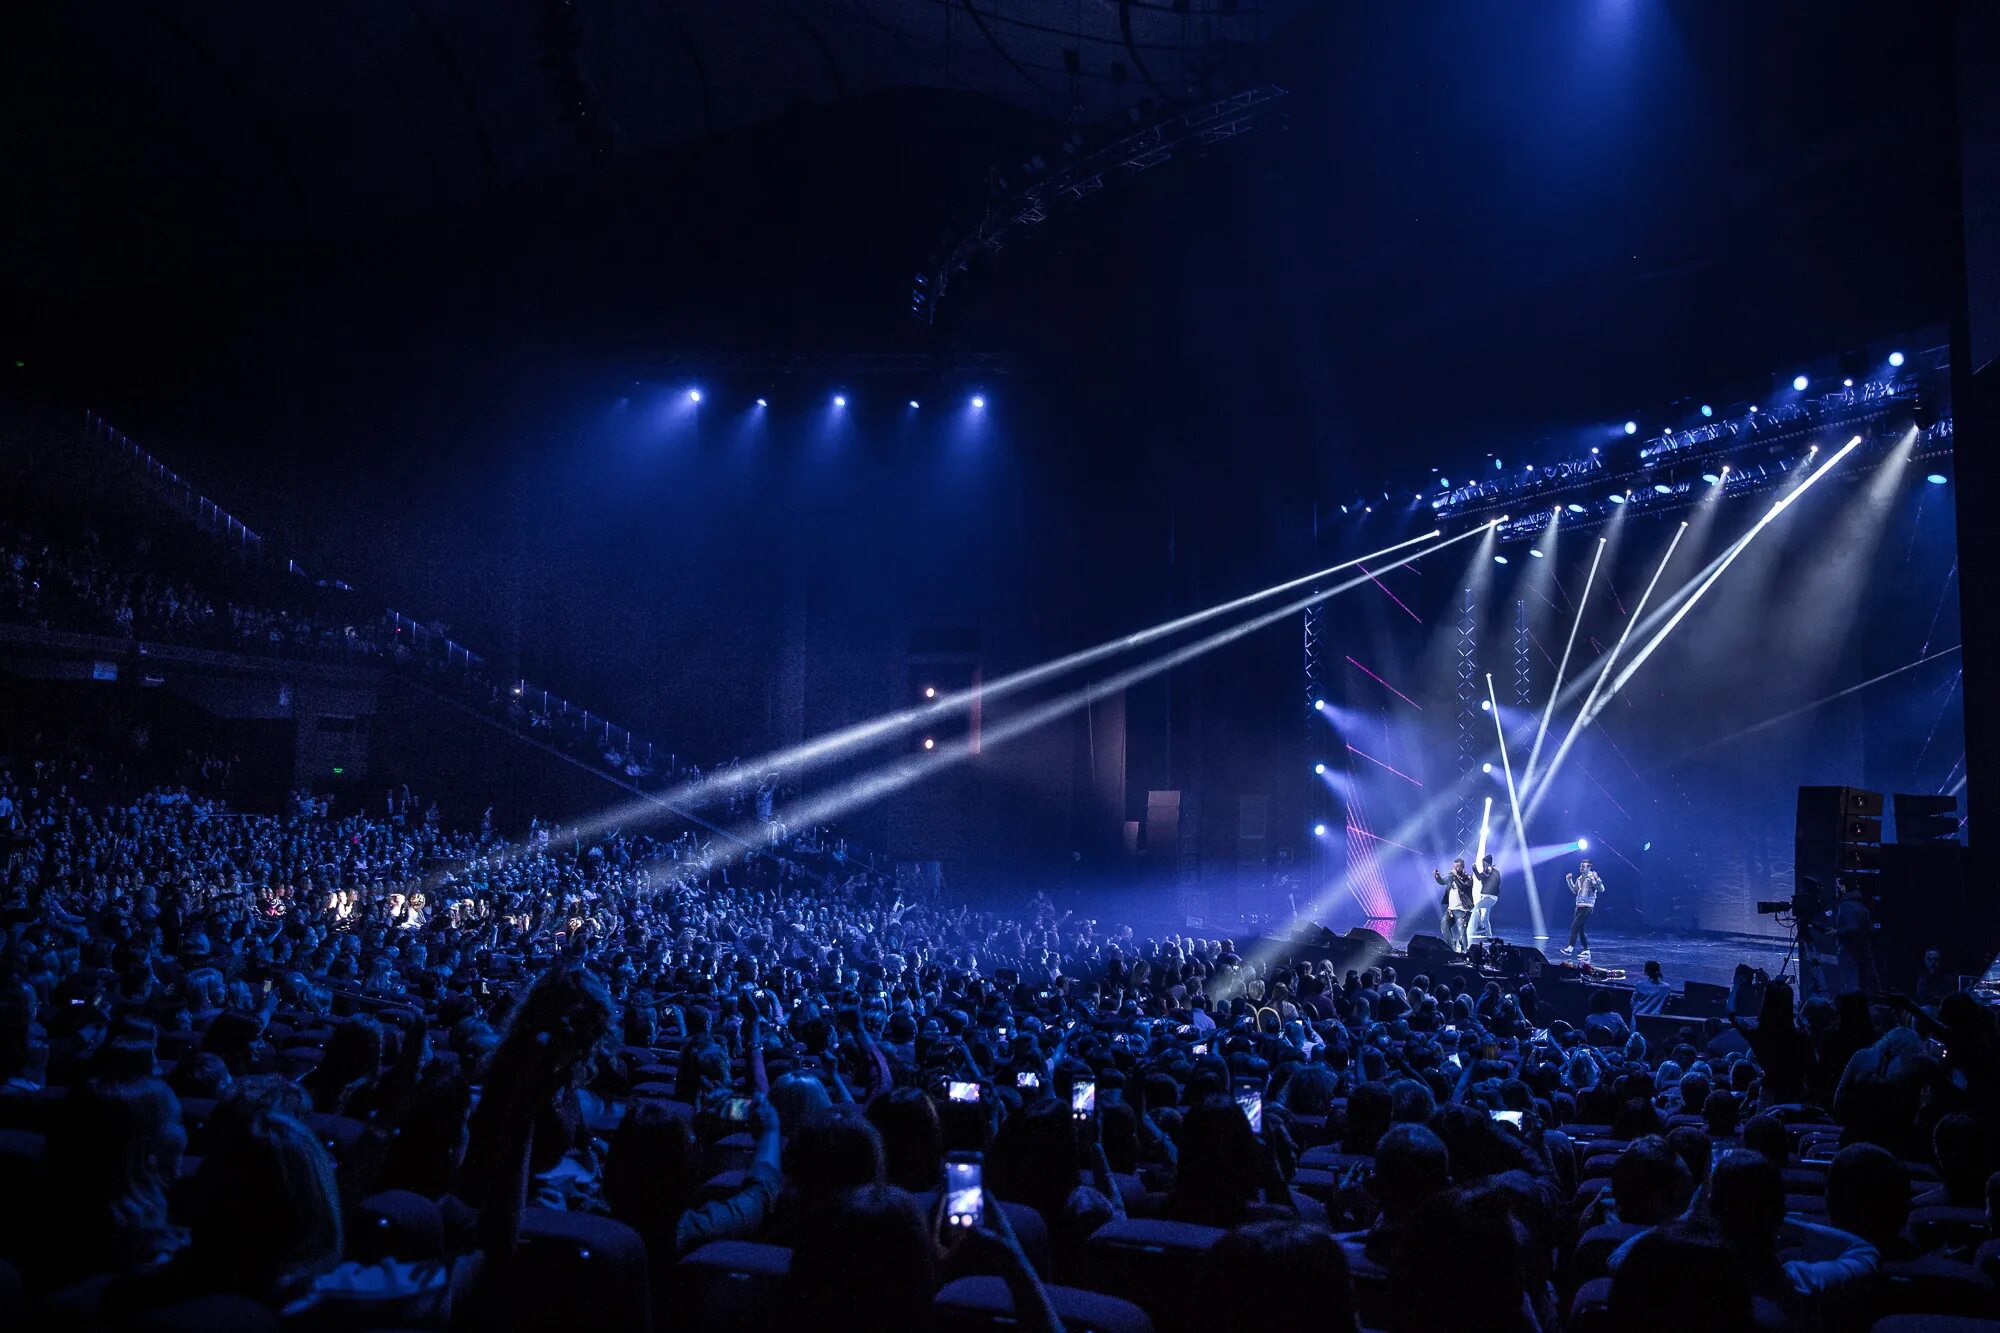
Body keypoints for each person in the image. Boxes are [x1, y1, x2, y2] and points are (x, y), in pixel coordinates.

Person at [1830, 879, 1881, 996]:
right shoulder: (1861, 905)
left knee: (1852, 985)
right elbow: (1871, 929)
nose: (1837, 888)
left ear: (1844, 887)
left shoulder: (1846, 906)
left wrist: (1837, 932)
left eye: (1838, 885)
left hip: (1849, 952)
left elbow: (1853, 928)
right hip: (1864, 953)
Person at [1563, 859, 1603, 961]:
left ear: (1589, 867)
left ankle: (1570, 947)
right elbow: (1574, 891)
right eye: (1581, 866)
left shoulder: (1591, 878)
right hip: (1578, 906)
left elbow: (1601, 889)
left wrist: (1597, 879)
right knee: (1580, 929)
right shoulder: (1579, 879)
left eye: (1583, 866)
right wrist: (1569, 880)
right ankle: (1586, 950)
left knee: (1574, 926)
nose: (1581, 868)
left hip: (1587, 906)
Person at [1432, 859, 1475, 953]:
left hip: (1463, 910)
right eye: (1454, 866)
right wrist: (1437, 876)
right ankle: (1452, 949)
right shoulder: (1452, 876)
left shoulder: (1468, 878)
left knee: (1461, 933)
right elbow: (1442, 881)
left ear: (1463, 867)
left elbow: (1463, 886)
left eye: (1457, 867)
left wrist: (1455, 876)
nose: (1455, 869)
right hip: (1451, 909)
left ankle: (1465, 953)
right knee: (1444, 926)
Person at [1470, 853, 1501, 943]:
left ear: (1489, 863)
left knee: (1475, 908)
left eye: (1485, 863)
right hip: (1484, 897)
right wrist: (1474, 868)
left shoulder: (1495, 872)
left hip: (1491, 898)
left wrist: (1491, 874)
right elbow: (1479, 877)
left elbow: (1497, 882)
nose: (1484, 865)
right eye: (1483, 863)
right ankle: (1489, 935)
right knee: (1486, 918)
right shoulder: (1485, 872)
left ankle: (1482, 926)